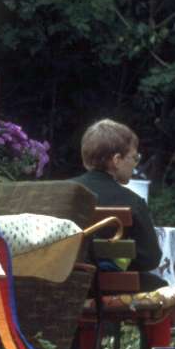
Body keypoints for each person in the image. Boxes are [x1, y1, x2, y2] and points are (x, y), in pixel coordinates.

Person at [69, 118, 164, 289]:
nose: (135, 164)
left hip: (63, 282)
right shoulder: (132, 202)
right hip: (106, 287)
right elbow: (150, 259)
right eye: (134, 157)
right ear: (117, 160)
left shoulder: (61, 192)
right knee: (161, 285)